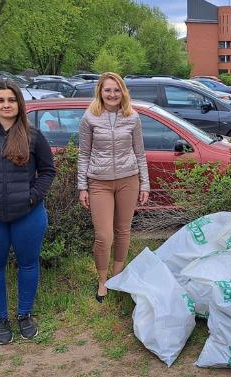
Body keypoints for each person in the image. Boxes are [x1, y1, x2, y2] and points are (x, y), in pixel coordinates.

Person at [0, 81, 56, 345]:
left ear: (19, 103)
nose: (6, 105)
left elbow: (48, 171)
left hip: (28, 214)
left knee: (28, 264)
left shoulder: (33, 135)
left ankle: (24, 315)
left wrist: (33, 196)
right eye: (1, 100)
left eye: (11, 100)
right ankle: (1, 320)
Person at [77, 72, 149, 302]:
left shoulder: (132, 117)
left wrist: (145, 184)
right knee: (104, 235)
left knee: (123, 231)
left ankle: (117, 276)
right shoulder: (89, 117)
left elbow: (140, 153)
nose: (112, 94)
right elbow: (83, 154)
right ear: (100, 91)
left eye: (117, 90)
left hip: (129, 180)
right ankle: (102, 280)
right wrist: (82, 186)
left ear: (123, 92)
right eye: (108, 90)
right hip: (99, 182)